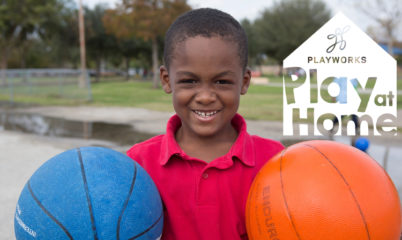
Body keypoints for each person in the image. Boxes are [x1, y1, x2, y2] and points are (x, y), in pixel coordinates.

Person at [127, 8, 284, 240]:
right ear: (166, 80)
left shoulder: (276, 162)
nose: (206, 96)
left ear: (244, 81)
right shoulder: (137, 165)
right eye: (190, 81)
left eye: (222, 81)